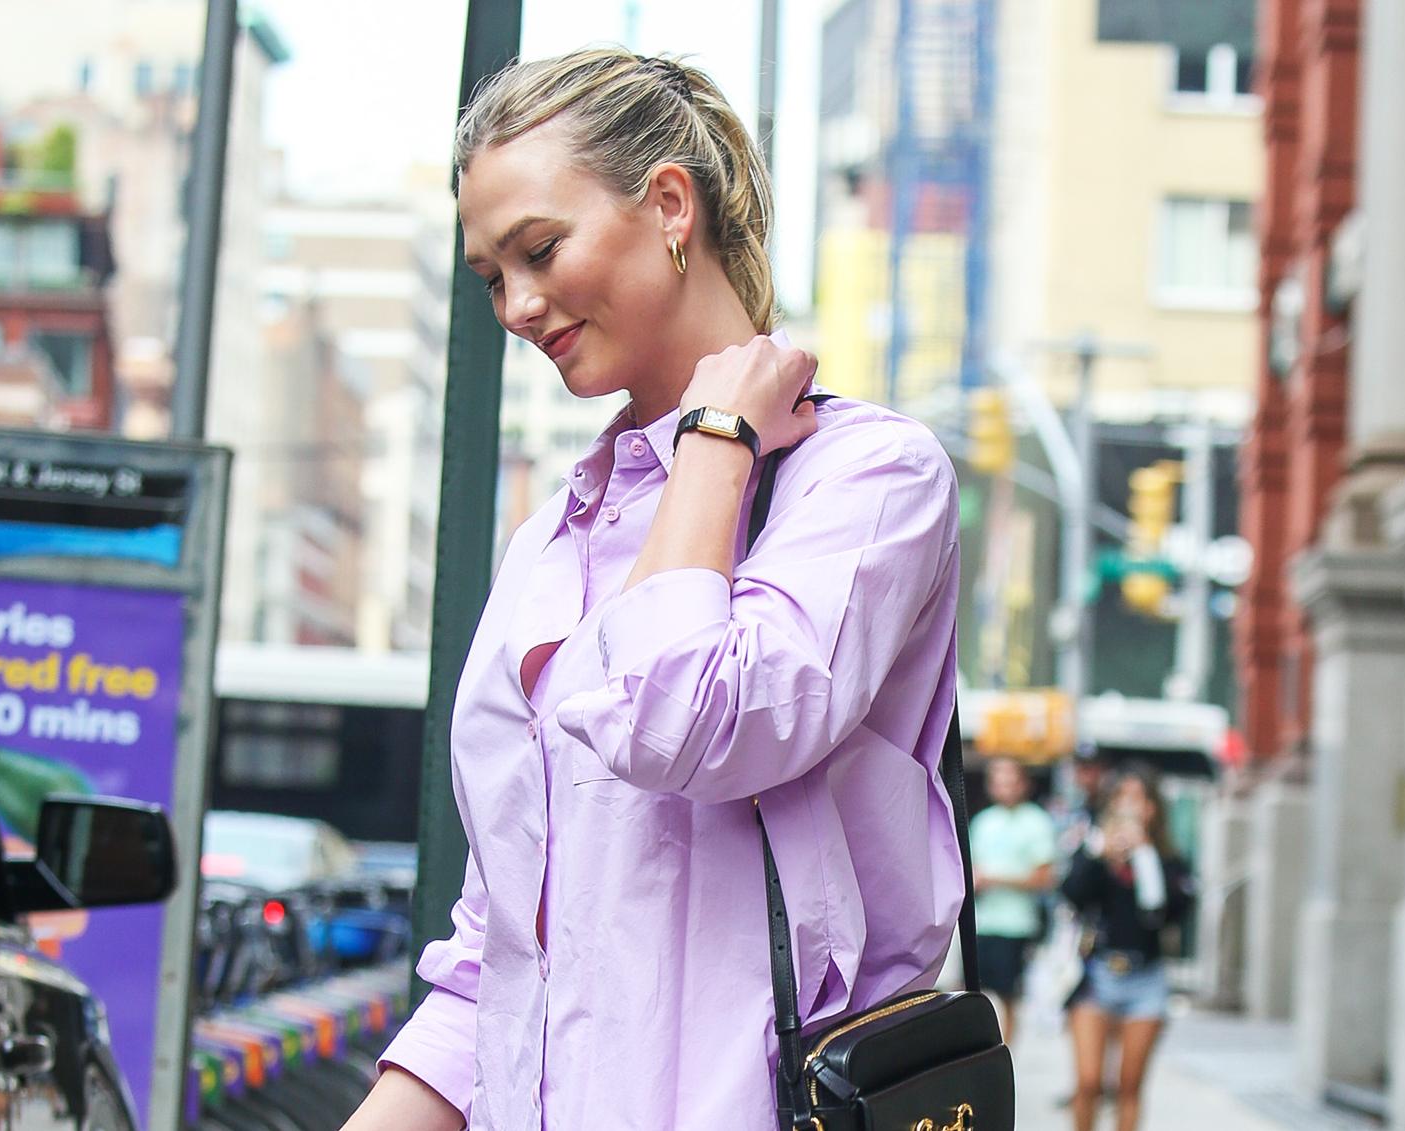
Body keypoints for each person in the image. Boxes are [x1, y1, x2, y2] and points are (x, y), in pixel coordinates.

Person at [342, 49, 964, 1130]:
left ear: (670, 203)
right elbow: (502, 952)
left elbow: (690, 719)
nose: (518, 306)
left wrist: (714, 439)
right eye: (491, 276)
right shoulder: (552, 544)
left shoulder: (870, 479)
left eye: (540, 250)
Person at [1060, 767, 1194, 1131]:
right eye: (1123, 797)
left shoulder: (1167, 861)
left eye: (1139, 799)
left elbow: (1164, 915)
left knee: (1128, 1087)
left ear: (1153, 809)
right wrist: (1099, 853)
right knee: (1088, 1082)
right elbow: (1072, 893)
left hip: (1145, 979)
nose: (1130, 807)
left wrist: (1145, 857)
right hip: (1096, 976)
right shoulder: (1096, 851)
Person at [967, 755, 1056, 1043]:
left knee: (1008, 997)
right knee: (975, 994)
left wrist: (996, 880)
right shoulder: (983, 822)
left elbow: (1045, 878)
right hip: (982, 923)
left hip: (1016, 924)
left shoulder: (1037, 822)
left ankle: (1003, 1054)